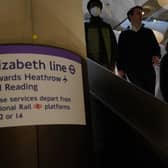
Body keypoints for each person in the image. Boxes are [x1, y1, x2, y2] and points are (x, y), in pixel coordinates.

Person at [116, 5, 161, 95]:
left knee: (150, 96)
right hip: (132, 72)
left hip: (148, 71)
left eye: (142, 13)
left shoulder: (148, 33)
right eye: (138, 13)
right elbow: (120, 53)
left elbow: (156, 48)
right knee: (139, 95)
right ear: (131, 16)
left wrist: (156, 56)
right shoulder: (124, 35)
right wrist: (120, 69)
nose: (141, 15)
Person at [85, 0, 118, 71]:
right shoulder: (86, 27)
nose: (95, 7)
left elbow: (114, 46)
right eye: (93, 6)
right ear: (89, 9)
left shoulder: (107, 26)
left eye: (97, 6)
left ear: (101, 9)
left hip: (109, 65)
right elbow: (85, 47)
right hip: (93, 65)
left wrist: (113, 63)